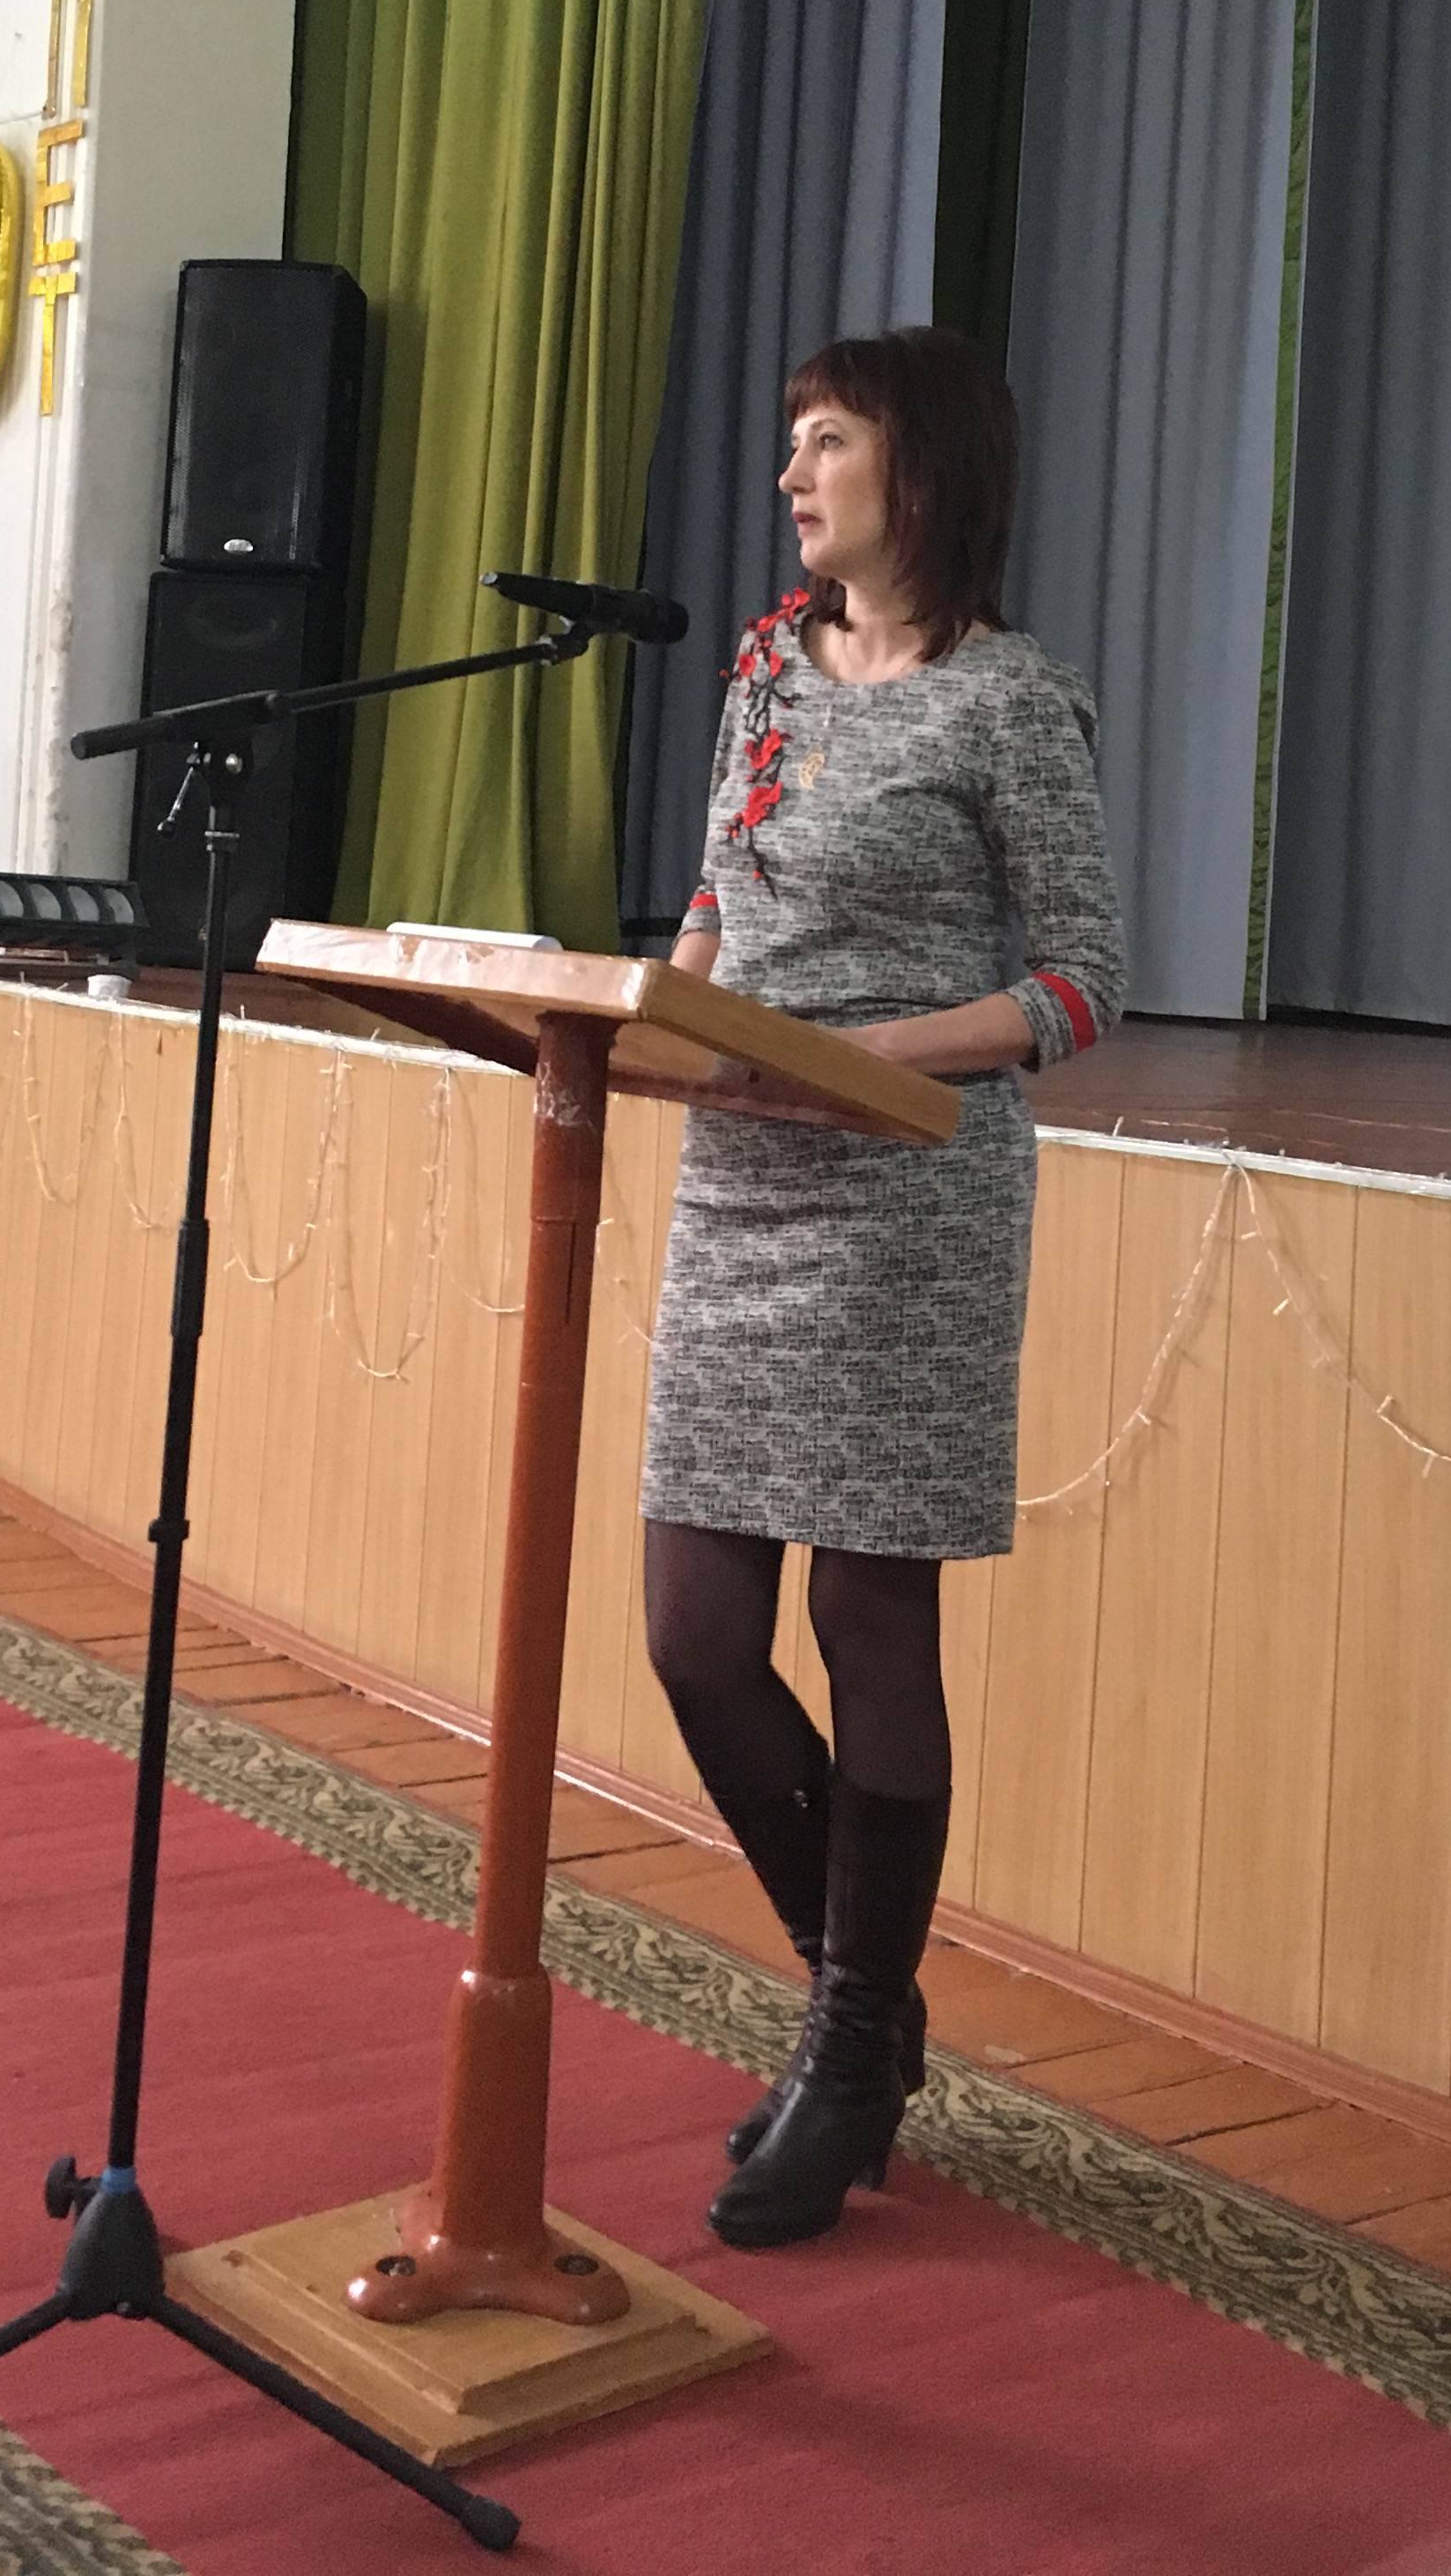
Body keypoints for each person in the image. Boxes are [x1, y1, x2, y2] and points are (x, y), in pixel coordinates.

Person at [641, 324, 1125, 2251]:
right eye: (793, 443)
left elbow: (1080, 983)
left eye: (825, 440)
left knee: (869, 1624)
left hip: (904, 1199)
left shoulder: (1013, 704)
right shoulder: (767, 671)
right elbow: (714, 896)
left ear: (917, 468)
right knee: (695, 1636)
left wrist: (865, 1055)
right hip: (741, 1180)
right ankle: (872, 2010)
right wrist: (661, 1014)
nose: (791, 476)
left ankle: (845, 2055)